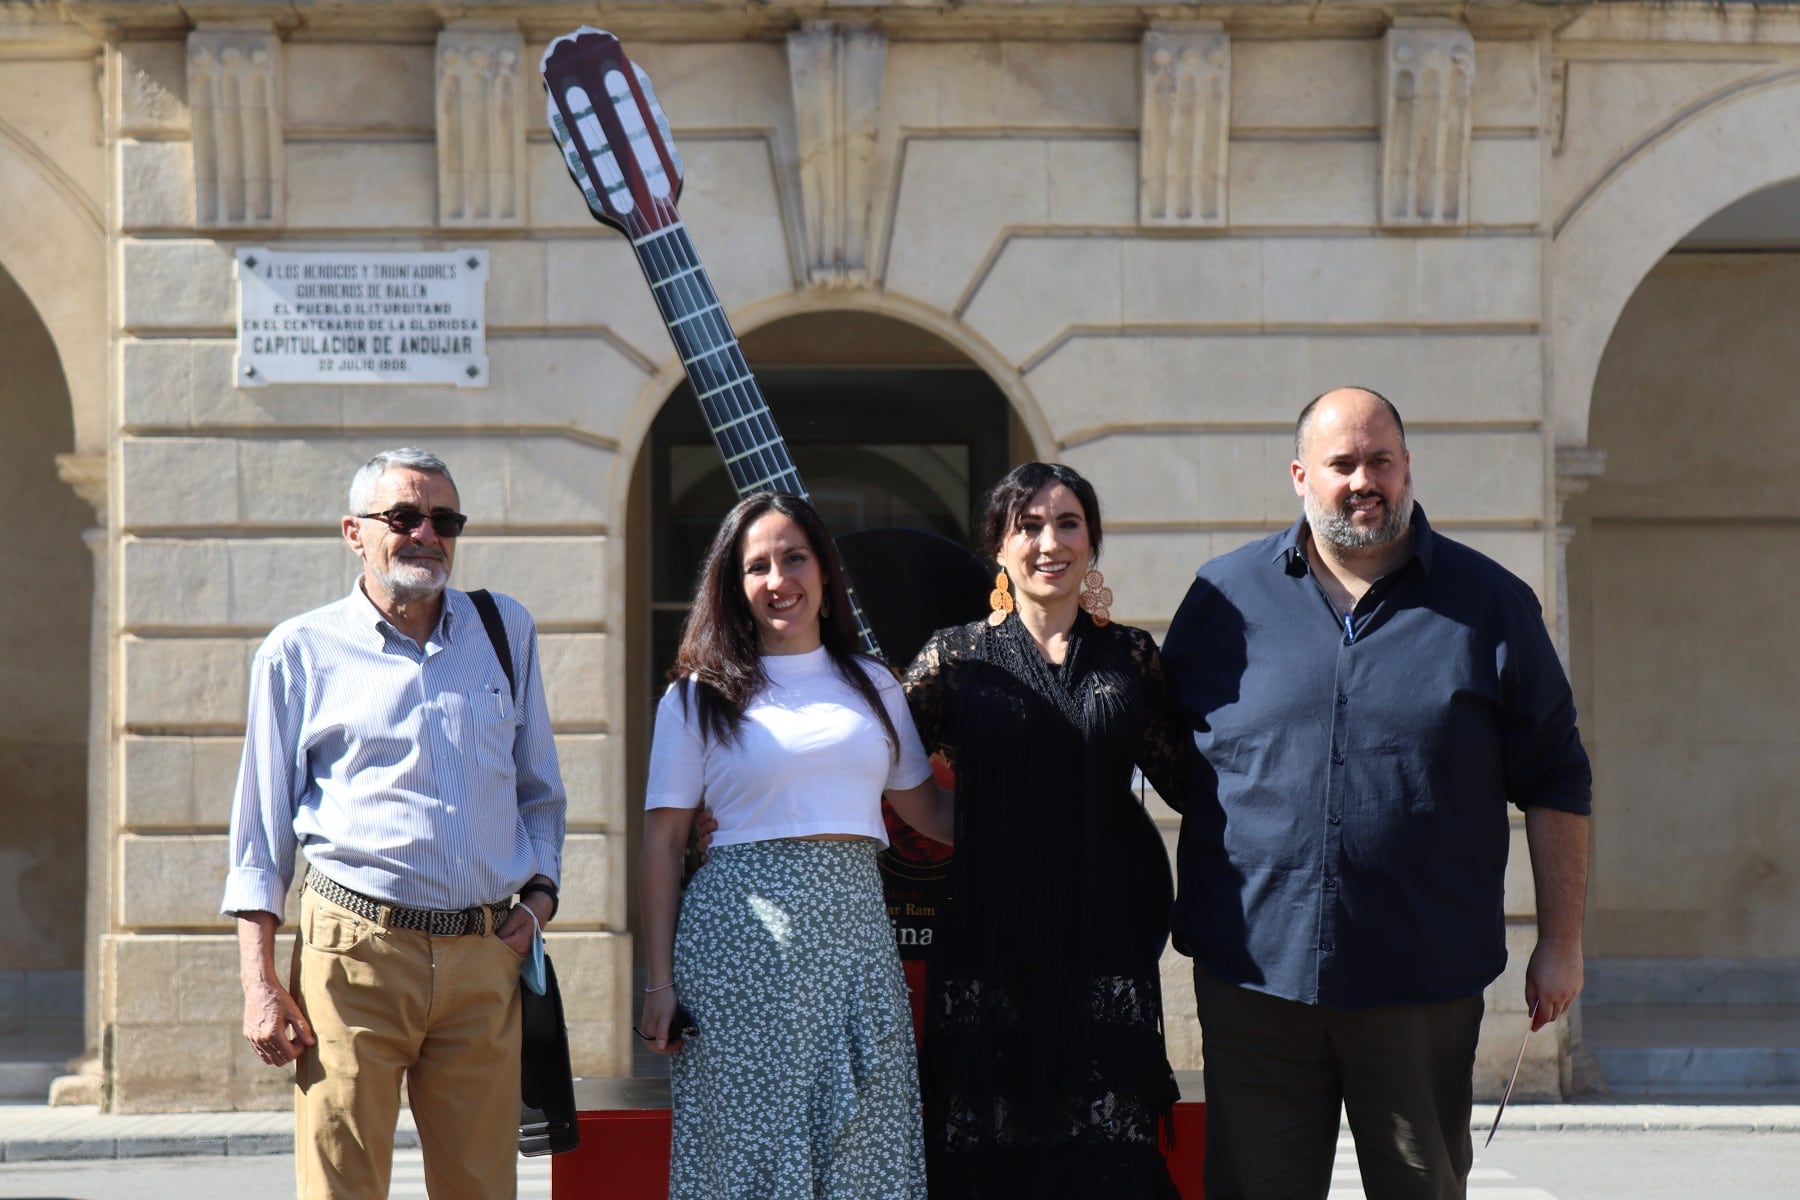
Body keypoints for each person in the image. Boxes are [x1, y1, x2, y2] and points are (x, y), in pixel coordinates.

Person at [1160, 387, 1592, 1200]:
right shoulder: (1223, 600)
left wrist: (1561, 941)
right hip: (1255, 982)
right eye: (1342, 463)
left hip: (1420, 981)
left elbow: (1557, 775)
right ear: (1300, 476)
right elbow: (1169, 755)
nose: (1365, 480)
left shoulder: (1491, 605)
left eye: (1381, 461)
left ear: (1406, 469)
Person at [221, 447, 567, 1200]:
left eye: (444, 519)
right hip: (354, 959)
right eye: (403, 517)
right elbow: (260, 834)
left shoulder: (504, 630)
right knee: (341, 1186)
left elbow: (540, 792)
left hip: (483, 956)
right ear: (354, 532)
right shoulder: (300, 651)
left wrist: (539, 902)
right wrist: (259, 983)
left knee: (481, 1188)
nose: (426, 534)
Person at [639, 491, 952, 1200]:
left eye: (794, 558)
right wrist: (659, 986)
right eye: (757, 566)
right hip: (739, 960)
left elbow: (928, 811)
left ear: (826, 570)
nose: (778, 580)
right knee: (751, 1162)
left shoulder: (872, 684)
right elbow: (662, 844)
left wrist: (1041, 812)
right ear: (734, 584)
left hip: (856, 953)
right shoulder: (696, 696)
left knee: (863, 1155)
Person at [902, 461, 1193, 1199]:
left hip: (1103, 929)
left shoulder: (1130, 656)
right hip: (987, 931)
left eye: (1067, 523)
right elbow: (877, 766)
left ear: (1092, 542)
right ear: (999, 546)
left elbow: (1193, 781)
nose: (1048, 542)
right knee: (986, 1151)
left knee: (1104, 1151)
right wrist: (965, 827)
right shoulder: (953, 657)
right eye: (1027, 525)